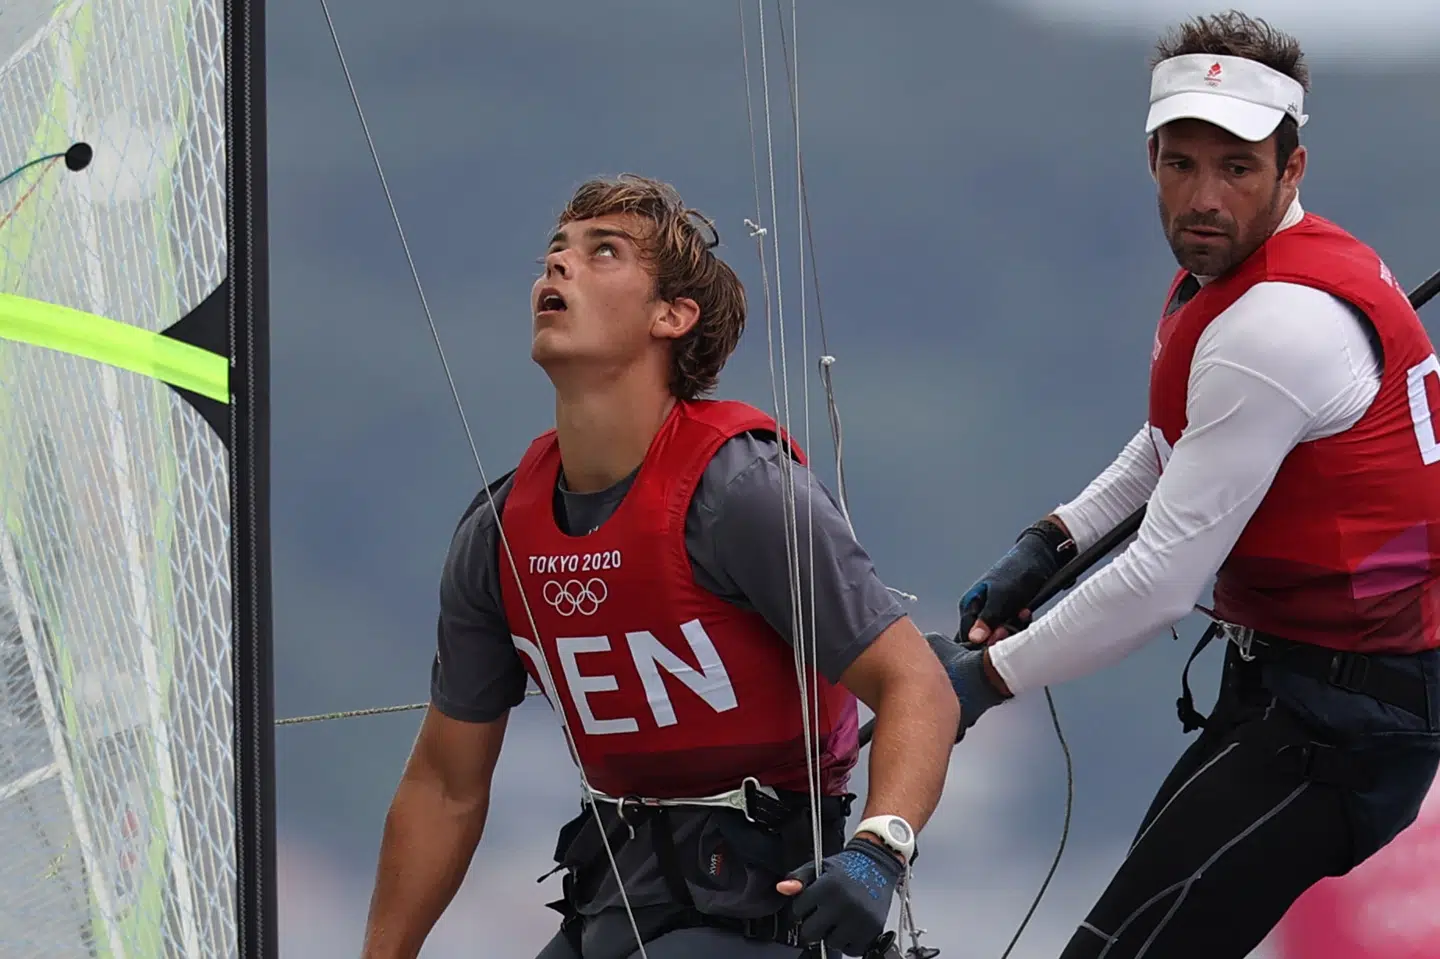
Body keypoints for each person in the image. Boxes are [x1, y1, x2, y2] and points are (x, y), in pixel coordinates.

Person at [920, 11, 1440, 959]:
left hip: (1346, 730)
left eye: (1237, 168)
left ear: (1292, 172)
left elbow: (1161, 580)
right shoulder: (1233, 274)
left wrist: (986, 680)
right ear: (1150, 157)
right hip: (1284, 695)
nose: (1202, 198)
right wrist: (1051, 543)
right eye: (1179, 164)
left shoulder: (1277, 326)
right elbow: (1174, 446)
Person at [359, 174, 959, 959]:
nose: (557, 269)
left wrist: (879, 852)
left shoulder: (740, 494)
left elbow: (918, 684)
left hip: (760, 920)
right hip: (606, 908)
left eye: (600, 252)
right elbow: (446, 783)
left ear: (672, 316)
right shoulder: (498, 533)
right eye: (554, 255)